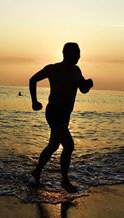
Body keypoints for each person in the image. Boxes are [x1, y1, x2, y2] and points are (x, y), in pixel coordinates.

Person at [29, 42, 93, 193]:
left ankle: (37, 172)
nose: (78, 56)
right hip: (54, 112)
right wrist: (34, 101)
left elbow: (82, 88)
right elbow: (33, 80)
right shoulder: (53, 69)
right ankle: (64, 181)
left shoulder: (77, 71)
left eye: (79, 53)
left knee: (53, 146)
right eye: (75, 53)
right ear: (66, 54)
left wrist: (88, 85)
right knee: (69, 146)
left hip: (65, 115)